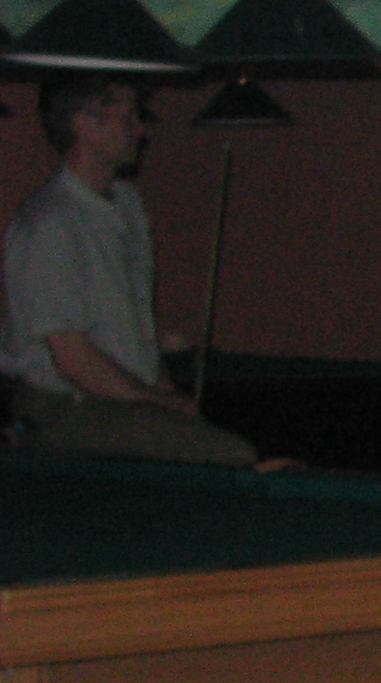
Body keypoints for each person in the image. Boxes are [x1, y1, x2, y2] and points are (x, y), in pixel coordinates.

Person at [3, 75, 255, 466]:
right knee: (230, 457)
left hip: (121, 399)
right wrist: (157, 400)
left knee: (217, 447)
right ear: (85, 123)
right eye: (129, 117)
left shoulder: (128, 204)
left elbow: (139, 337)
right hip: (62, 408)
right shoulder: (50, 223)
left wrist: (169, 398)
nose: (140, 129)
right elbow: (72, 360)